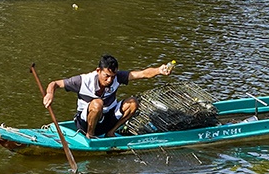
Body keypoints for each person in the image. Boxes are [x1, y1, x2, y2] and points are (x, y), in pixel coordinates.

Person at [43, 55, 175, 137]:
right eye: (106, 76)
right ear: (98, 71)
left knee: (133, 102)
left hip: (107, 119)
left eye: (112, 76)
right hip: (85, 122)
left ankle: (111, 132)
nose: (110, 80)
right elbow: (54, 83)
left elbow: (142, 74)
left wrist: (159, 70)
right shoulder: (82, 80)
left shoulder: (117, 77)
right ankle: (90, 136)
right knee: (97, 103)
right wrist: (49, 94)